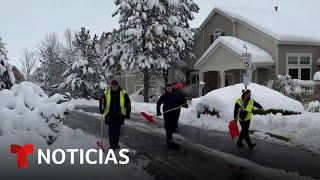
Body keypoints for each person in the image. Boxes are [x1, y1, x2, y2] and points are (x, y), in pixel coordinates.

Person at [99, 80, 131, 150]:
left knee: (117, 130)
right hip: (109, 114)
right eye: (113, 87)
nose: (114, 88)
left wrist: (128, 113)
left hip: (119, 115)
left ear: (118, 85)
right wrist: (101, 109)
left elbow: (128, 103)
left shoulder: (123, 93)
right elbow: (101, 101)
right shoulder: (106, 92)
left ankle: (116, 143)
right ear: (111, 86)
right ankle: (112, 145)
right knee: (111, 130)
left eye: (116, 87)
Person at [157, 83, 186, 149]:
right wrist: (158, 111)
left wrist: (184, 104)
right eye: (168, 88)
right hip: (166, 113)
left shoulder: (175, 95)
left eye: (170, 88)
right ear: (166, 89)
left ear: (172, 88)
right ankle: (169, 140)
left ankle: (170, 137)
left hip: (174, 113)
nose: (169, 89)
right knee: (167, 126)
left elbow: (180, 101)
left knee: (173, 126)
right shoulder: (164, 96)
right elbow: (158, 103)